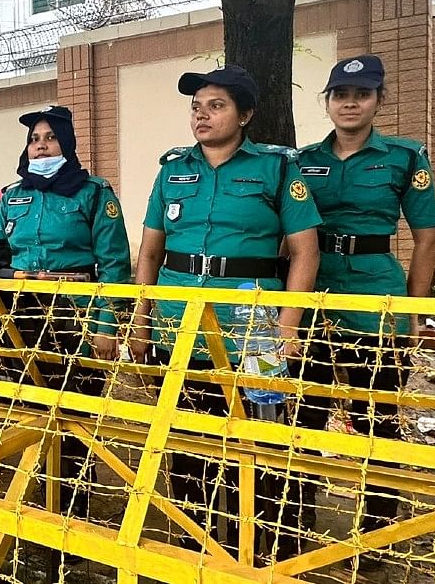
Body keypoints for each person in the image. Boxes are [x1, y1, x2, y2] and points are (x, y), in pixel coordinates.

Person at [127, 65, 322, 556]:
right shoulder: (172, 170)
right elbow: (149, 254)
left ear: (246, 114)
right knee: (189, 442)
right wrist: (141, 320)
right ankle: (200, 545)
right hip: (180, 329)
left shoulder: (277, 169)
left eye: (216, 106)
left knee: (262, 444)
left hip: (252, 335)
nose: (202, 115)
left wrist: (288, 328)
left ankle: (268, 550)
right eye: (197, 107)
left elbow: (305, 252)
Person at [291, 54, 435, 539]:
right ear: (327, 102)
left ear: (379, 100)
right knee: (305, 411)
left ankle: (377, 527)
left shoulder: (405, 156)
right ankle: (297, 519)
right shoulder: (303, 161)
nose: (350, 103)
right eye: (340, 95)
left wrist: (416, 309)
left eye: (362, 94)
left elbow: (426, 238)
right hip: (314, 290)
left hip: (377, 292)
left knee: (375, 416)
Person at [0, 104, 132, 519]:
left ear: (66, 143)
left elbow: (115, 264)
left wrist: (107, 326)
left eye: (49, 138)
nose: (41, 146)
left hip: (78, 315)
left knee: (76, 413)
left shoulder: (94, 193)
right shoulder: (13, 197)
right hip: (22, 316)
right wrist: (16, 275)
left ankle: (75, 506)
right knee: (32, 409)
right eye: (34, 139)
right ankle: (39, 498)